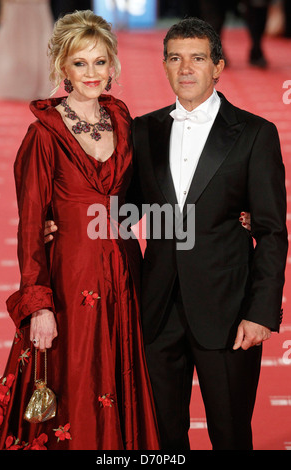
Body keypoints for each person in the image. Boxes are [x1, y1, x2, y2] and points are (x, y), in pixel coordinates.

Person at [0, 10, 159, 450]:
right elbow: (31, 229)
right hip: (69, 282)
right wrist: (39, 305)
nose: (91, 73)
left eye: (100, 62)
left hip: (125, 277)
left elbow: (141, 197)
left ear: (114, 66)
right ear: (61, 67)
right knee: (70, 388)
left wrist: (232, 214)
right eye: (80, 63)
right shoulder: (42, 134)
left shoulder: (124, 123)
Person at [127, 18, 287, 450]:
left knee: (231, 435)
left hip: (229, 312)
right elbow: (124, 210)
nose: (186, 68)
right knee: (162, 439)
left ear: (217, 67)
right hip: (158, 313)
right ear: (163, 66)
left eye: (197, 58)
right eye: (175, 58)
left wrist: (261, 313)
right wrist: (64, 221)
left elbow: (272, 233)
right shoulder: (143, 130)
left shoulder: (255, 134)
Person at [0, 0, 53, 101]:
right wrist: (2, 9)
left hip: (36, 6)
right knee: (13, 45)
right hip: (14, 6)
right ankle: (13, 84)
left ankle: (34, 85)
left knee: (35, 44)